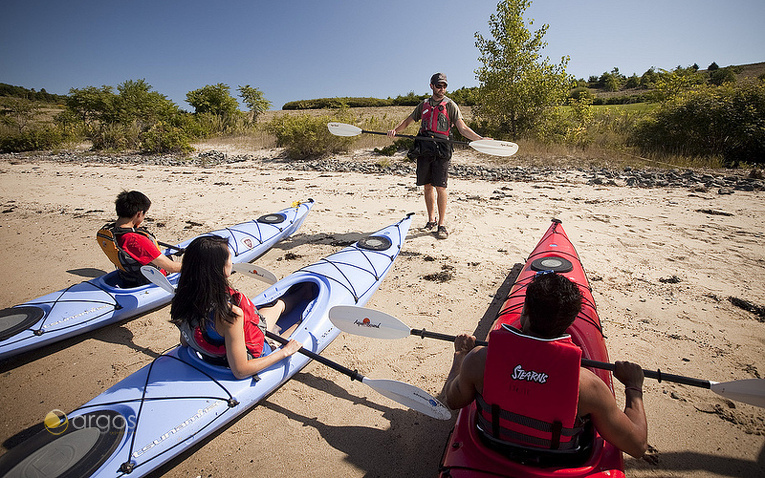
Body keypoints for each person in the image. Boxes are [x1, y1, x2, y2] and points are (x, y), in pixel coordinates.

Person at [444, 273, 648, 459]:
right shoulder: (588, 386)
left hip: (492, 449)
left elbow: (453, 400)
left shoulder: (479, 360)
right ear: (568, 323)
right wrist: (633, 387)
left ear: (524, 312)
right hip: (553, 461)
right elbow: (637, 446)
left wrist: (460, 355)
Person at [170, 235, 307, 379]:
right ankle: (302, 315)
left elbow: (185, 342)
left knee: (276, 307)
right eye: (229, 258)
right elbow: (240, 371)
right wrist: (285, 351)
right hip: (253, 354)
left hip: (213, 353)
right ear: (220, 268)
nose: (231, 262)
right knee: (299, 322)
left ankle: (300, 294)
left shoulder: (182, 297)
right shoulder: (230, 315)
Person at [388, 72, 487, 240]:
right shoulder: (423, 105)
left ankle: (441, 225)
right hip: (424, 147)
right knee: (427, 186)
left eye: (444, 86)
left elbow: (462, 128)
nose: (442, 89)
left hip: (442, 148)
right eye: (439, 85)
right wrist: (396, 131)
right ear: (431, 86)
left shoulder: (451, 105)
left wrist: (480, 139)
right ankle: (431, 220)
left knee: (441, 187)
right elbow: (407, 121)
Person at [96, 190, 181, 287]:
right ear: (139, 214)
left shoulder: (111, 232)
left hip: (128, 276)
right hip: (150, 280)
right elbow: (172, 268)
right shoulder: (136, 240)